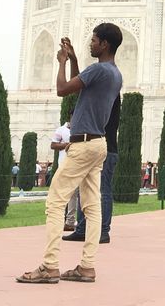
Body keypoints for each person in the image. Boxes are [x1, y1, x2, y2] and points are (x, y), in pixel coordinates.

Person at [17, 24, 123, 285]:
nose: (91, 43)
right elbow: (81, 86)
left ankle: (49, 266)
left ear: (105, 44)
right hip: (99, 144)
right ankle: (87, 267)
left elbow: (63, 89)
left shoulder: (99, 70)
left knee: (55, 202)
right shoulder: (114, 73)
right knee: (92, 206)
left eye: (95, 40)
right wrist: (75, 59)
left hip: (83, 144)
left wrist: (62, 63)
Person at [67, 94, 122, 244]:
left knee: (103, 190)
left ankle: (103, 231)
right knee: (83, 189)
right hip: (90, 149)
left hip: (106, 148)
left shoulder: (111, 95)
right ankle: (82, 230)